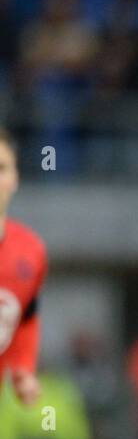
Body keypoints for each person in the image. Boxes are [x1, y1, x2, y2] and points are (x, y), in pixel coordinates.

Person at [0, 127, 49, 408]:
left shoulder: (31, 252)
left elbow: (25, 316)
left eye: (1, 168)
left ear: (15, 178)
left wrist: (23, 368)